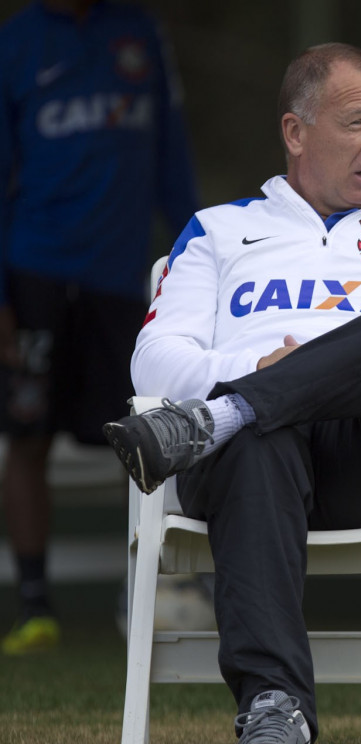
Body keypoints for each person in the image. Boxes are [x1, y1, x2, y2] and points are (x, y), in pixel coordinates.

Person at [101, 43, 361, 744]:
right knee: (261, 432)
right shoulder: (217, 231)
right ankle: (274, 710)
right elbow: (152, 360)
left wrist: (274, 386)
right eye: (355, 123)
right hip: (251, 468)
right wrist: (258, 371)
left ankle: (227, 414)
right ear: (295, 132)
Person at [0, 0, 198, 655]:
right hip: (35, 276)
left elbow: (173, 159)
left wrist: (198, 255)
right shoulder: (17, 42)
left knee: (139, 433)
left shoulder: (140, 31)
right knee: (27, 436)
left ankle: (143, 592)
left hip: (124, 278)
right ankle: (35, 605)